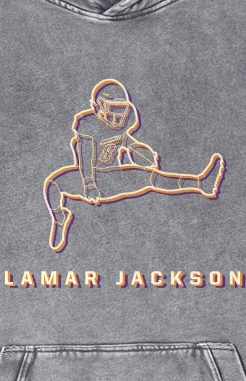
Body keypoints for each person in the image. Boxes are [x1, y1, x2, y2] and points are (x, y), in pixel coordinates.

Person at [44, 79, 226, 252]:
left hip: (115, 176)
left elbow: (126, 142)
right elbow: (86, 156)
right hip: (91, 177)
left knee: (151, 177)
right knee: (53, 185)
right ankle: (59, 219)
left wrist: (142, 153)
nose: (117, 115)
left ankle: (200, 184)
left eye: (121, 109)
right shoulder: (88, 126)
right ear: (98, 106)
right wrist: (89, 184)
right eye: (113, 108)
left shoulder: (123, 127)